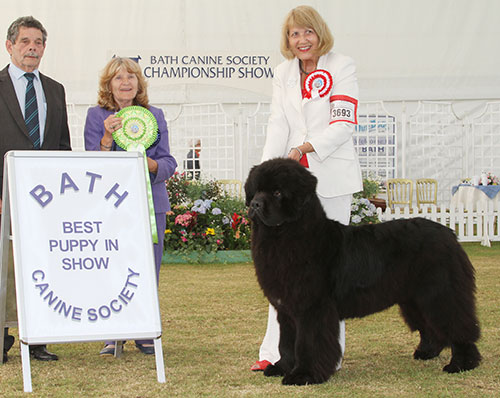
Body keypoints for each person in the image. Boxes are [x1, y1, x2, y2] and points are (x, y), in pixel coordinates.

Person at [250, 5, 362, 372]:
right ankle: (276, 353)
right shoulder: (283, 73)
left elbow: (343, 124)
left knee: (328, 275)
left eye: (307, 32)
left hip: (331, 178)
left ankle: (330, 353)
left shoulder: (341, 66)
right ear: (288, 40)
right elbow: (277, 122)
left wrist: (303, 150)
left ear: (320, 33)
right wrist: (266, 172)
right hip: (291, 189)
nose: (301, 40)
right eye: (294, 34)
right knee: (279, 272)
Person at [84, 57, 177, 356]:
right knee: (112, 265)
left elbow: (168, 161)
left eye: (131, 77)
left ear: (139, 83)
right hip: (111, 206)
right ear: (108, 85)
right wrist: (107, 138)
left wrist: (149, 165)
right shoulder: (96, 116)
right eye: (118, 77)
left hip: (152, 203)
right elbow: (91, 164)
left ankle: (145, 329)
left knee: (149, 267)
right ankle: (113, 332)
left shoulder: (156, 115)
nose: (125, 82)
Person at [0, 16, 71, 362]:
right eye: (25, 41)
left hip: (45, 200)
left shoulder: (55, 89)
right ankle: (1, 339)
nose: (33, 48)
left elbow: (62, 147)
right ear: (10, 45)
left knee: (41, 264)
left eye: (39, 42)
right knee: (2, 267)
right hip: (4, 195)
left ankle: (38, 337)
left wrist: (65, 195)